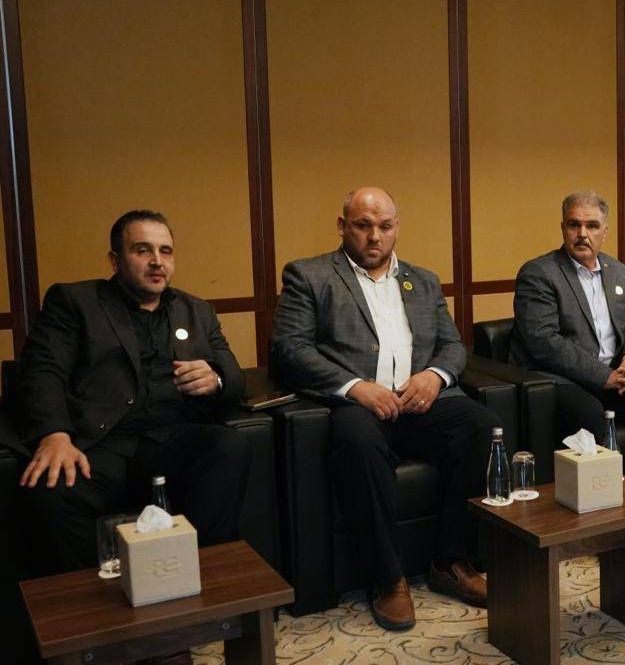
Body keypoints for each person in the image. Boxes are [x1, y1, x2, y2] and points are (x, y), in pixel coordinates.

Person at [270, 187, 495, 631]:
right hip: (357, 406)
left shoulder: (423, 280)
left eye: (385, 226)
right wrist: (355, 387)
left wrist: (435, 377)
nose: (375, 236)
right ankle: (388, 578)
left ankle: (450, 561)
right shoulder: (309, 275)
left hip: (418, 402)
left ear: (396, 228)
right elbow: (289, 349)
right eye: (363, 225)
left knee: (481, 425)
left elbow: (452, 345)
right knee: (359, 442)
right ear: (343, 226)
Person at [18, 210, 249, 575]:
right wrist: (55, 436)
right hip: (99, 444)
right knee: (51, 487)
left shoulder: (196, 310)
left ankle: (202, 578)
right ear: (115, 260)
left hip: (171, 439)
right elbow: (42, 371)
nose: (157, 261)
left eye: (165, 251)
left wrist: (216, 379)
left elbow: (234, 377)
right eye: (143, 250)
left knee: (229, 447)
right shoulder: (75, 302)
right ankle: (95, 601)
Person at [510, 192, 625, 491]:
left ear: (605, 231)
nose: (582, 234)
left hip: (613, 373)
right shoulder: (539, 273)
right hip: (558, 379)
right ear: (563, 228)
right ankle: (601, 507)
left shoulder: (618, 271)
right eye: (574, 225)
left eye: (591, 226)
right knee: (590, 413)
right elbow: (544, 342)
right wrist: (605, 376)